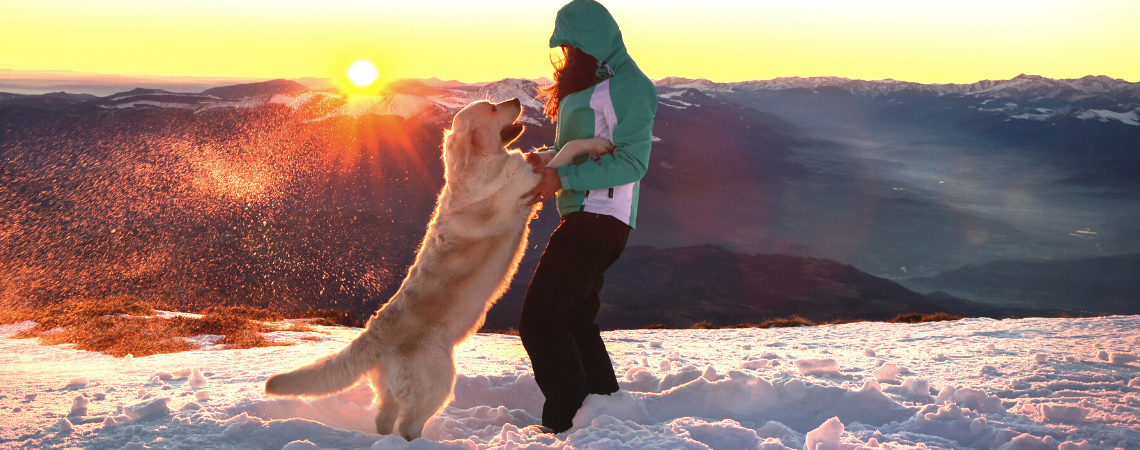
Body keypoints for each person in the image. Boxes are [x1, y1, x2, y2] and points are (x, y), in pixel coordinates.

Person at [518, 0, 657, 434]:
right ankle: (603, 417)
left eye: (572, 47)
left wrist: (561, 179)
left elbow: (633, 162)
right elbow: (586, 145)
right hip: (590, 218)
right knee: (575, 320)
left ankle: (566, 422)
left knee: (540, 321)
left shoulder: (629, 86)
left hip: (599, 218)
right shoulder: (596, 82)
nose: (566, 57)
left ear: (591, 42)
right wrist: (544, 162)